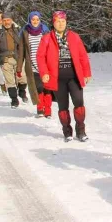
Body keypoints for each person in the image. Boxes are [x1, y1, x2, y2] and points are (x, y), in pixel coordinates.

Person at [37, 11, 92, 142]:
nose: (61, 24)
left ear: (66, 22)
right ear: (53, 23)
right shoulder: (47, 38)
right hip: (57, 78)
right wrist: (44, 73)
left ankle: (81, 130)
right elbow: (40, 57)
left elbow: (83, 56)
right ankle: (67, 131)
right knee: (63, 105)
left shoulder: (74, 37)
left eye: (63, 21)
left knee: (79, 102)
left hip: (74, 76)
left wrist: (87, 72)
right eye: (58, 21)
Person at [16, 11, 52, 117]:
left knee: (47, 87)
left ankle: (48, 110)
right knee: (38, 87)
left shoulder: (45, 31)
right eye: (33, 19)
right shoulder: (25, 32)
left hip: (45, 64)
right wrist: (19, 68)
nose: (35, 21)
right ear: (29, 20)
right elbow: (21, 50)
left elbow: (51, 48)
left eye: (37, 19)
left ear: (40, 20)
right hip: (32, 64)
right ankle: (40, 108)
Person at [0, 9, 28, 107]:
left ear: (12, 20)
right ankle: (14, 100)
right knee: (10, 80)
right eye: (5, 20)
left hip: (18, 58)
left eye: (8, 20)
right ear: (2, 21)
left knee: (22, 77)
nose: (7, 22)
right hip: (5, 59)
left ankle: (22, 91)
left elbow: (23, 45)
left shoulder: (17, 31)